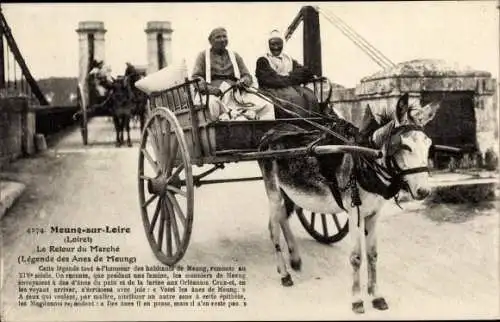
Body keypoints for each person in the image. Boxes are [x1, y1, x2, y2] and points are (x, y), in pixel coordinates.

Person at [191, 27, 274, 121]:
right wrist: (210, 89)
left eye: (224, 36)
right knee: (212, 104)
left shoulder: (235, 55)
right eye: (218, 37)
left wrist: (243, 81)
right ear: (210, 41)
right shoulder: (203, 55)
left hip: (235, 94)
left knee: (267, 104)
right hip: (213, 95)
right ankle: (219, 130)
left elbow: (247, 75)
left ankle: (265, 133)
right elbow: (195, 78)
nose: (222, 40)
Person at [255, 30, 321, 119]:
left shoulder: (288, 59)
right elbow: (272, 80)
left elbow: (304, 72)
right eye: (272, 44)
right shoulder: (263, 60)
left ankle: (315, 122)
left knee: (310, 96)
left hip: (289, 87)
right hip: (272, 89)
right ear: (268, 45)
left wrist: (288, 78)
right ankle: (298, 124)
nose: (276, 47)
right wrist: (292, 77)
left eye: (279, 44)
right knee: (294, 99)